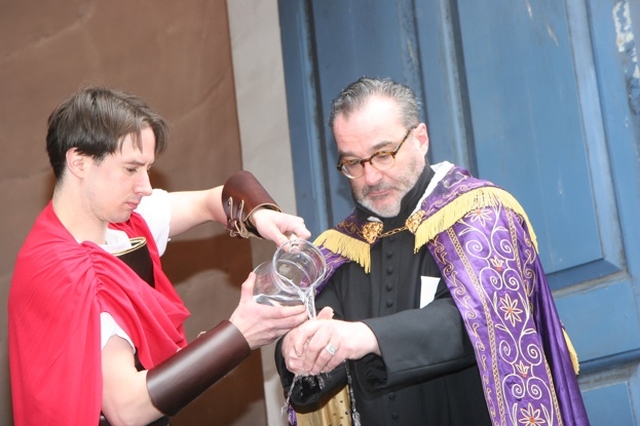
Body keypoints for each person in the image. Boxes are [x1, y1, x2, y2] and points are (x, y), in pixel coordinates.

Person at [275, 77, 590, 425]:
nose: (370, 177)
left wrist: (364, 336)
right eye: (353, 163)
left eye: (382, 154)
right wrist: (295, 350)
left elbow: (481, 320)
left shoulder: (480, 214)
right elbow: (316, 365)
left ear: (421, 138)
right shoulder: (338, 249)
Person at [8, 86, 312, 426]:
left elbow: (210, 201)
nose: (146, 186)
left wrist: (258, 213)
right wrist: (240, 333)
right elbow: (126, 408)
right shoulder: (65, 274)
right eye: (131, 169)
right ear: (79, 162)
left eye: (148, 168)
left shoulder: (119, 221)